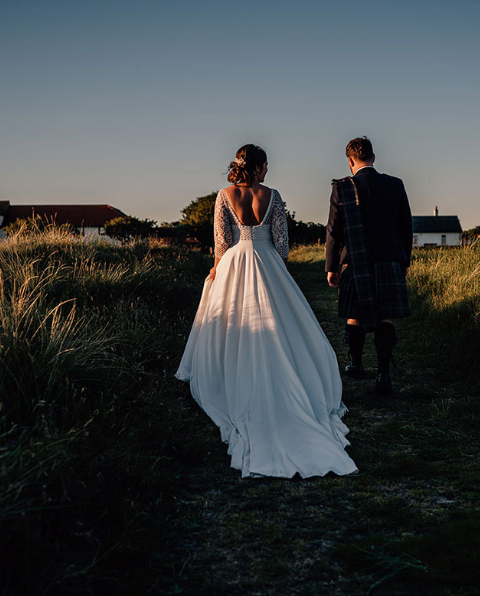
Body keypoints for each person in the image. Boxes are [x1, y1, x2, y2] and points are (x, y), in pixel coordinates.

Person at [176, 144, 358, 479]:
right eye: (266, 166)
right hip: (267, 262)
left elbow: (221, 242)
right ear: (259, 167)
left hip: (234, 262)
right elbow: (283, 246)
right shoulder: (273, 195)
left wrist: (217, 268)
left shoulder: (224, 195)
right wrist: (273, 266)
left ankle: (231, 378)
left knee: (233, 324)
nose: (268, 171)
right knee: (284, 326)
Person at [326, 136, 413, 394]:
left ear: (350, 161)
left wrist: (331, 266)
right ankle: (383, 374)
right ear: (373, 158)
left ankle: (356, 364)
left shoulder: (342, 187)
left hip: (355, 261)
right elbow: (406, 227)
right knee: (385, 316)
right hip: (389, 260)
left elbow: (333, 230)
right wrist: (404, 260)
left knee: (355, 315)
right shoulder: (395, 184)